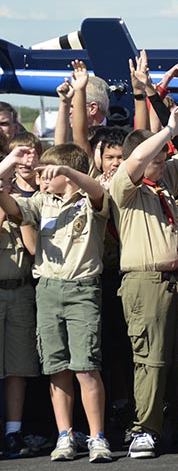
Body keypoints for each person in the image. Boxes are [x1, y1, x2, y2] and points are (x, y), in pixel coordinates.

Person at [0, 144, 113, 463]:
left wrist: (65, 170)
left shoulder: (89, 199)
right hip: (48, 290)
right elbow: (10, 204)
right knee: (56, 367)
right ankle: (64, 435)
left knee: (86, 366)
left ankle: (96, 436)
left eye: (48, 171)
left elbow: (96, 191)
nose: (42, 177)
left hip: (82, 290)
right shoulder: (40, 201)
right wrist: (10, 162)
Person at [109, 94, 178, 458]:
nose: (163, 165)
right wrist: (167, 129)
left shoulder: (162, 184)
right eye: (158, 160)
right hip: (145, 282)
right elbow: (136, 159)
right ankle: (145, 428)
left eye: (164, 160)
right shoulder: (126, 189)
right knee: (151, 358)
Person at [0, 152, 37, 458]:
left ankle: (14, 432)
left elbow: (33, 247)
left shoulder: (21, 205)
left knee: (17, 366)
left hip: (21, 290)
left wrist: (17, 210)